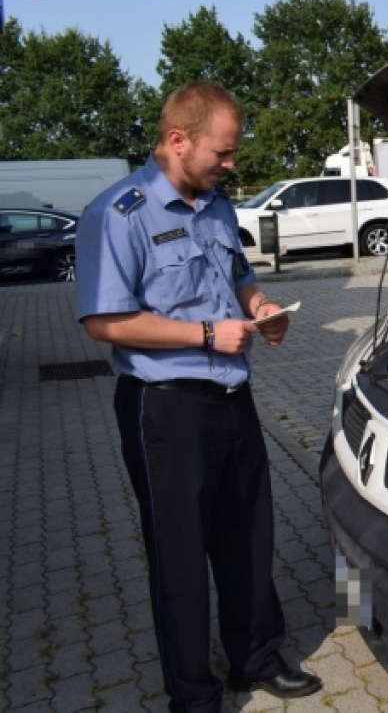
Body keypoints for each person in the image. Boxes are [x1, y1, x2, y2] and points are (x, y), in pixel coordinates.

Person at [75, 82, 322, 712]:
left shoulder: (214, 205)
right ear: (178, 140)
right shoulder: (117, 213)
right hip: (166, 409)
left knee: (247, 537)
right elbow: (104, 320)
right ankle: (194, 693)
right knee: (181, 558)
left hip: (232, 399)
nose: (231, 165)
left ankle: (256, 659)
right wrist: (208, 333)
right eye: (224, 152)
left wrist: (260, 307)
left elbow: (236, 274)